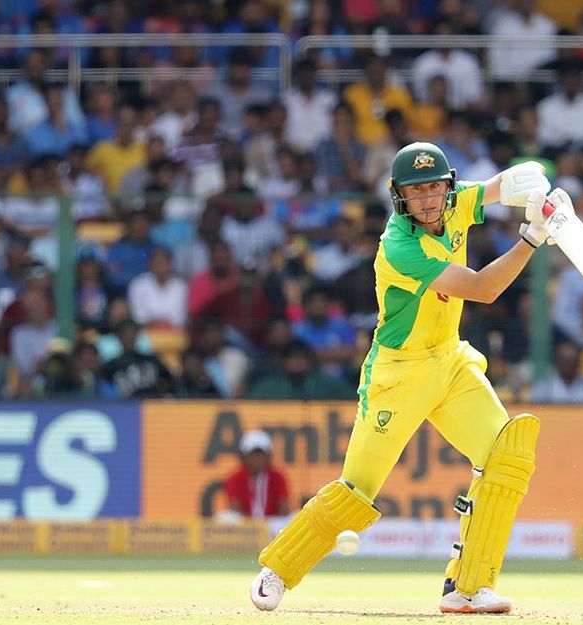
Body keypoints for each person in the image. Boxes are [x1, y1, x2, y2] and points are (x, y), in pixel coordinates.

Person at [249, 142, 565, 614]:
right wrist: (533, 237)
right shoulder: (399, 246)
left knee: (507, 456)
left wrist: (537, 185)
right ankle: (278, 567)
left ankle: (468, 587)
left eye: (435, 187)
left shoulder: (455, 201)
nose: (428, 199)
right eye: (416, 191)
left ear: (448, 186)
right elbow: (483, 289)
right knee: (356, 491)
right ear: (398, 194)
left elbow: (502, 184)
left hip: (451, 360)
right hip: (399, 374)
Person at [222, 430, 290, 519]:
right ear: (244, 457)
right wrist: (254, 525)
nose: (258, 459)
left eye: (262, 455)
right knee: (225, 517)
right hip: (245, 524)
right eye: (254, 455)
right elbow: (235, 509)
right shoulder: (235, 478)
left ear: (269, 457)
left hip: (271, 524)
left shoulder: (277, 477)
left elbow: (284, 510)